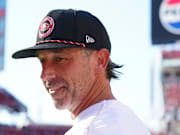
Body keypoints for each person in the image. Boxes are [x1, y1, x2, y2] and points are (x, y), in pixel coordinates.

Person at [12, 9, 151, 135]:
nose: (45, 75)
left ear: (100, 60)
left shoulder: (90, 130)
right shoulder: (129, 121)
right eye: (42, 61)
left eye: (60, 59)